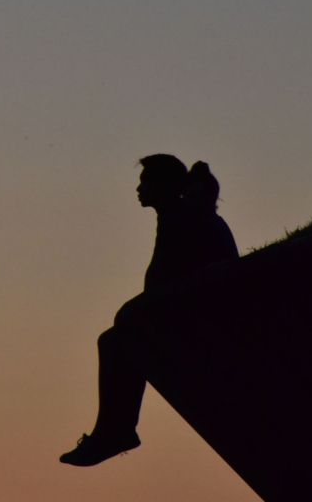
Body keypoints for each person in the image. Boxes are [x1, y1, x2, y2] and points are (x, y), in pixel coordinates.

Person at [59, 155, 239, 467]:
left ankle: (115, 431)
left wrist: (132, 314)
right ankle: (114, 430)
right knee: (116, 336)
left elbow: (169, 283)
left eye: (145, 182)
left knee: (115, 341)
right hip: (195, 313)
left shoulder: (181, 218)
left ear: (163, 186)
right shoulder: (181, 215)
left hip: (205, 320)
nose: (138, 188)